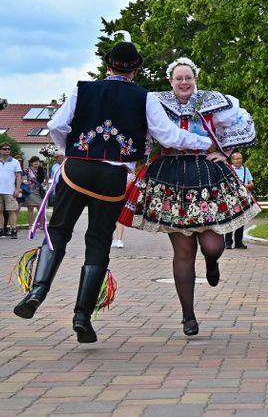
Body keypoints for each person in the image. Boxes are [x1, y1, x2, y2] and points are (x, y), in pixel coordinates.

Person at [14, 37, 217, 343]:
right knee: (98, 242)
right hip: (113, 176)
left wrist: (68, 150)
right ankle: (82, 315)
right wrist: (205, 143)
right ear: (136, 70)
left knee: (58, 232)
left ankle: (38, 290)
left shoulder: (83, 88)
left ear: (107, 65)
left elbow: (56, 125)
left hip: (76, 169)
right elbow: (169, 136)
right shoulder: (144, 97)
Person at [121, 57, 260, 336]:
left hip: (206, 173)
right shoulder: (156, 103)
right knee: (183, 252)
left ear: (195, 79)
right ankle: (188, 316)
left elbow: (242, 121)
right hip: (170, 176)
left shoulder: (212, 101)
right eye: (178, 78)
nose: (184, 82)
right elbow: (143, 135)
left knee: (212, 245)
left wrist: (226, 152)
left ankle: (212, 263)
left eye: (188, 77)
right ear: (170, 81)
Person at [0, 142, 22, 239]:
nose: (7, 151)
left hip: (9, 191)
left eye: (8, 149)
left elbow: (18, 176)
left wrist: (17, 189)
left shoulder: (15, 162)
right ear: (0, 150)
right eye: (4, 149)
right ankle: (1, 230)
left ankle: (14, 230)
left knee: (11, 211)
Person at [224, 152, 253, 249]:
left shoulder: (245, 169)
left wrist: (245, 186)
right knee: (231, 220)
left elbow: (251, 183)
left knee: (241, 219)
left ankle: (238, 242)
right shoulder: (228, 169)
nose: (238, 161)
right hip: (231, 198)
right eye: (236, 159)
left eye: (240, 158)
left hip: (243, 197)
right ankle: (228, 242)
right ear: (232, 160)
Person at [23, 156, 46, 230]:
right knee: (30, 208)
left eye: (38, 162)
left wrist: (43, 184)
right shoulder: (27, 170)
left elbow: (47, 177)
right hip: (30, 191)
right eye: (35, 162)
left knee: (41, 208)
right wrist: (25, 184)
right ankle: (30, 225)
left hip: (39, 191)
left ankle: (41, 225)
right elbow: (20, 177)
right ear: (31, 163)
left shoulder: (42, 170)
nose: (37, 163)